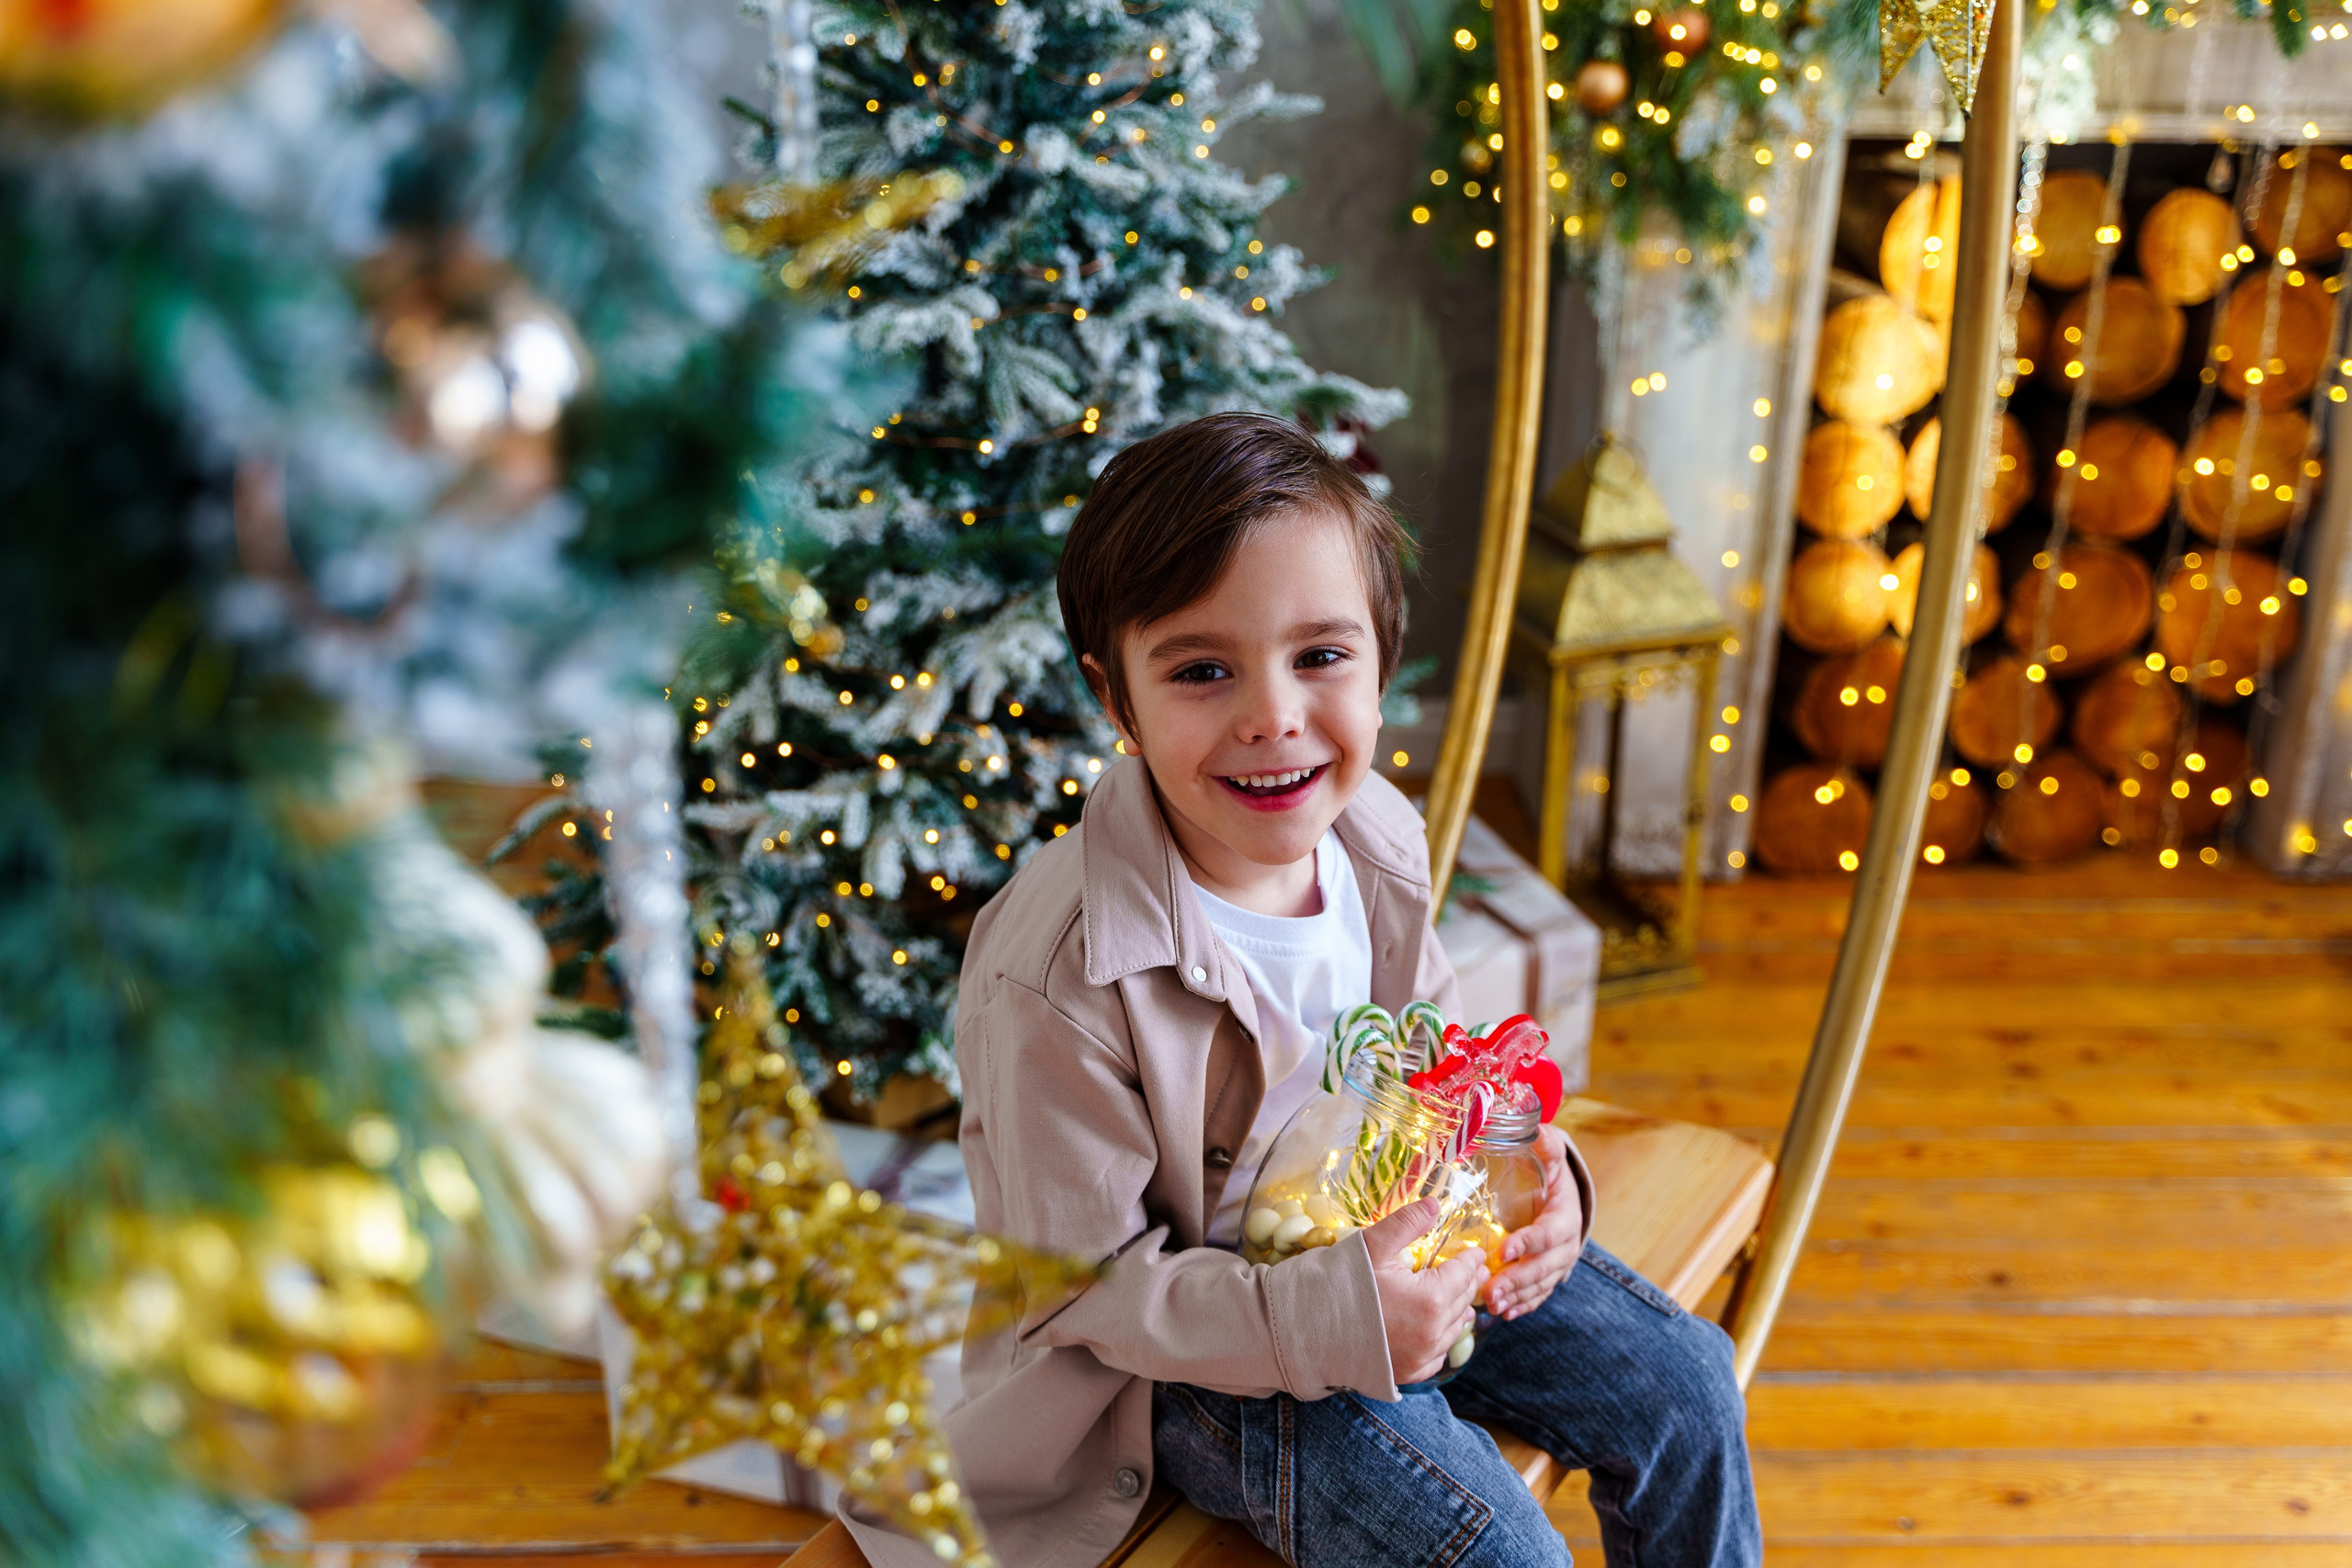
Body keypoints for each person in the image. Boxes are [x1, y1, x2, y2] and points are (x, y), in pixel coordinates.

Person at [842, 412, 1760, 1568]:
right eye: (1201, 670)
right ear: (1116, 700)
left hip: (1389, 1231)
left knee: (1685, 1387)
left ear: (1379, 666)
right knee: (1495, 1550)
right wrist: (1334, 1317)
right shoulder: (1059, 972)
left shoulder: (1374, 837)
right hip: (1193, 1358)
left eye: (1319, 656)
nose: (1272, 715)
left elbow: (1443, 1069)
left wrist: (1543, 1186)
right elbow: (1081, 1294)